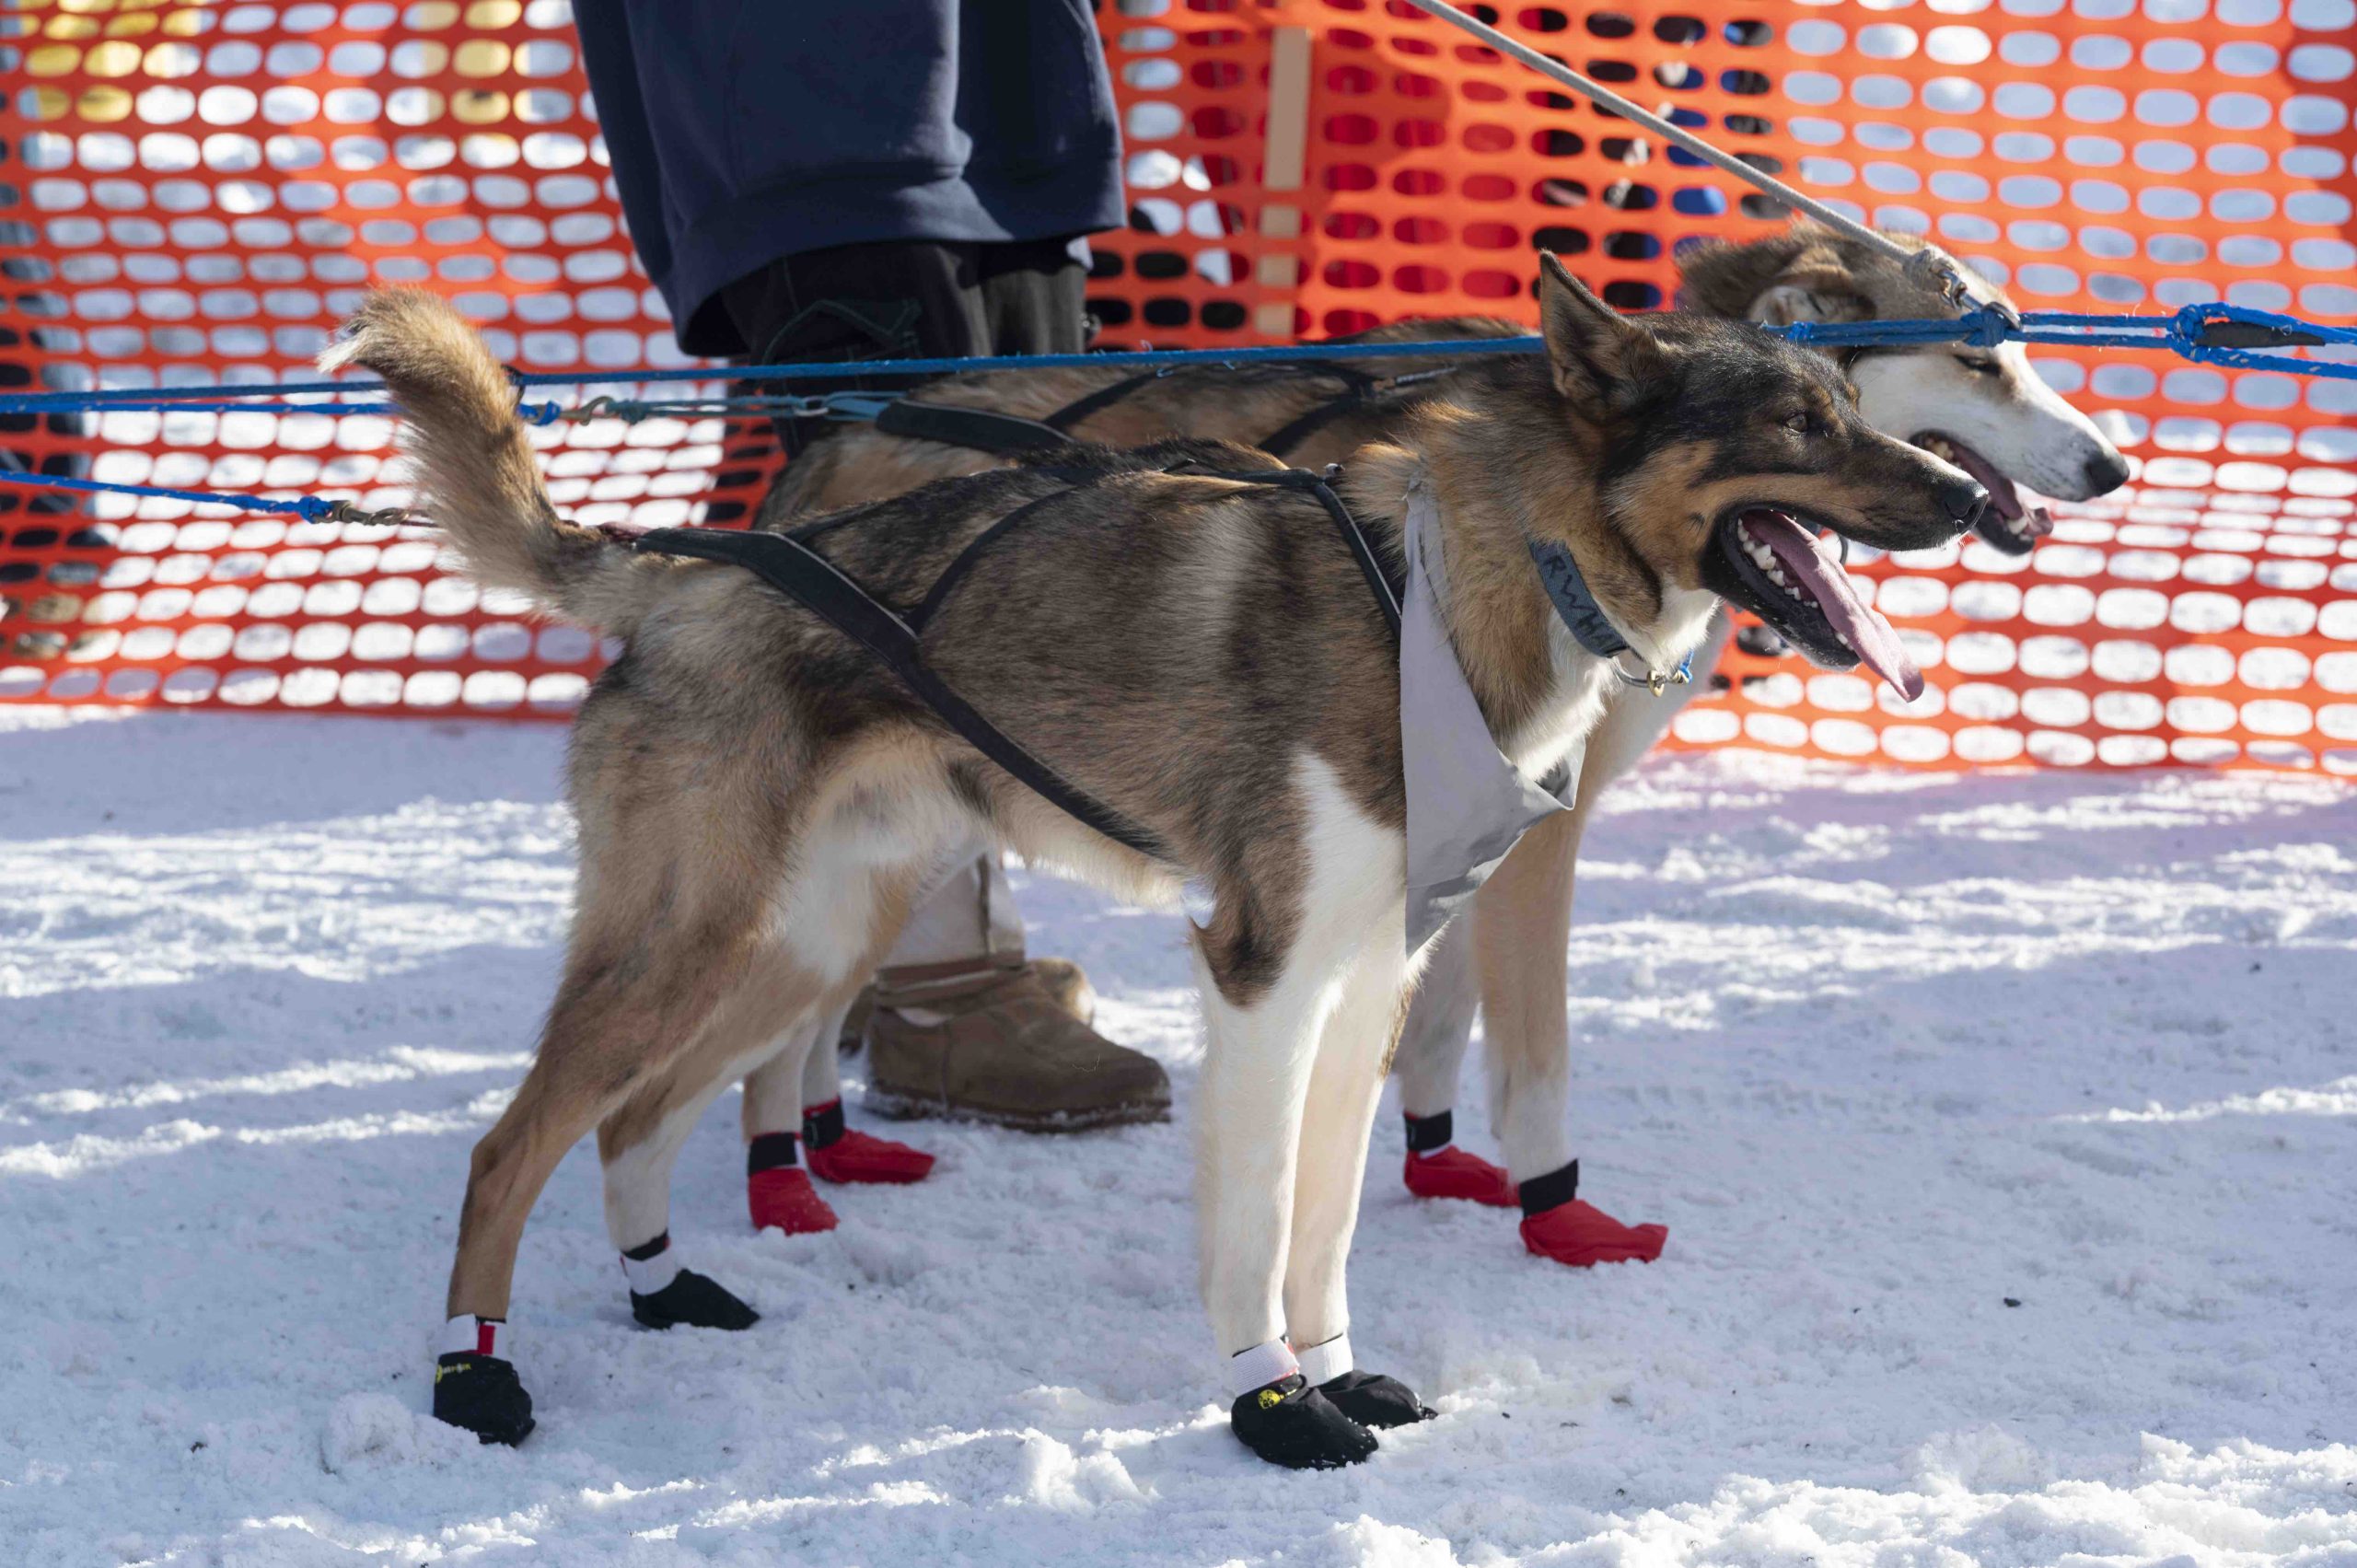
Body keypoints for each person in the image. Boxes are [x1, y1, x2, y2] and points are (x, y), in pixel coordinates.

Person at [572, 1, 1172, 1231]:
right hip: (822, 114)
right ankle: (938, 992)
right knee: (916, 602)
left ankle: (888, 964)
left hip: (1003, 118)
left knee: (1022, 561)